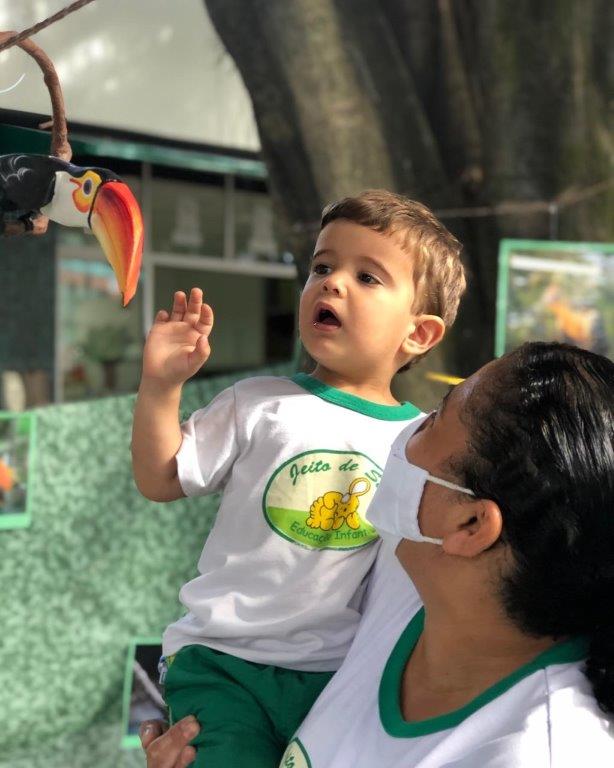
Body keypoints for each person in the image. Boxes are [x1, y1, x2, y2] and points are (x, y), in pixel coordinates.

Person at [141, 342, 614, 767]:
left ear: (470, 525)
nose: (405, 431)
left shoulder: (534, 752)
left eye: (434, 418)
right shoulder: (409, 573)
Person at [131, 189, 466, 768]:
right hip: (222, 659)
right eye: (322, 267)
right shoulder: (257, 402)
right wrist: (161, 387)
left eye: (367, 277)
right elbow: (161, 478)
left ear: (418, 334)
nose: (332, 284)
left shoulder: (418, 444)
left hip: (335, 673)